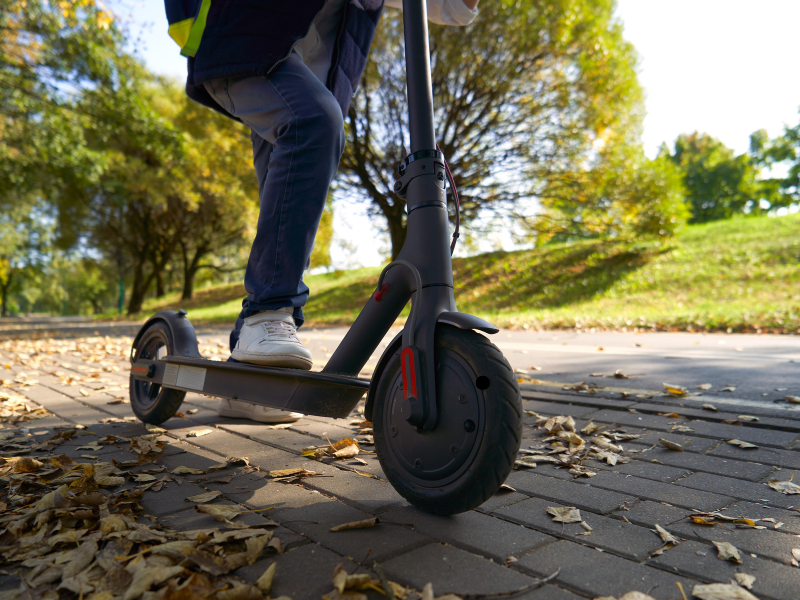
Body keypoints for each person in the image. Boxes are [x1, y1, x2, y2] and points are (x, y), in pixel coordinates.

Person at [166, 0, 479, 422]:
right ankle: (267, 315)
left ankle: (246, 374)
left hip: (305, 77)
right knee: (315, 123)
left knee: (285, 207)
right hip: (243, 45)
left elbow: (450, 7)